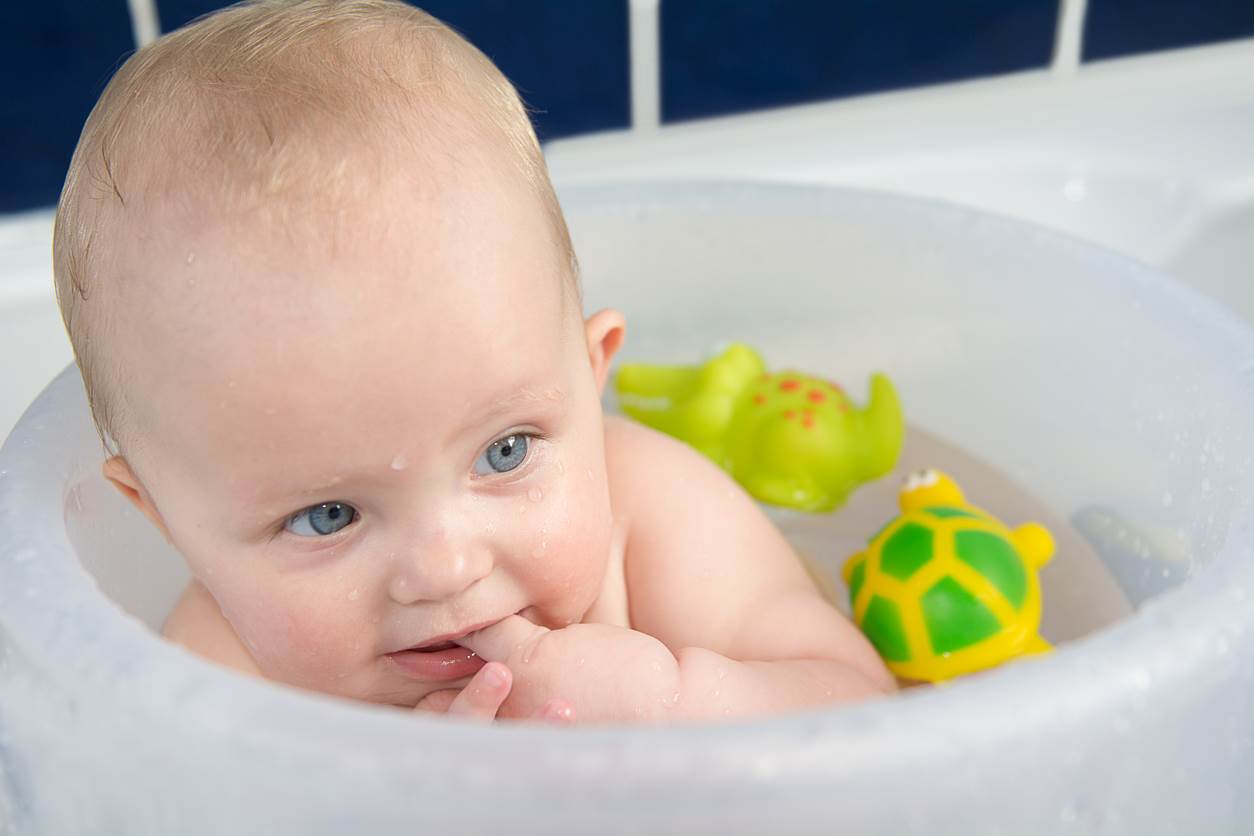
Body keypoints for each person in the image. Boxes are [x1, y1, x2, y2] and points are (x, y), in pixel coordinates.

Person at [52, 0, 894, 724]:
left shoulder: (658, 522)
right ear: (163, 516)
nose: (446, 569)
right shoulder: (216, 671)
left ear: (590, 376)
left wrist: (673, 704)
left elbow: (862, 710)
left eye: (507, 450)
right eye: (326, 516)